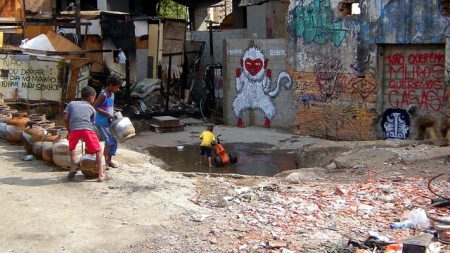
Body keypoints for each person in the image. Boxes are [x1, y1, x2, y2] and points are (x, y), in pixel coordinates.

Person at [64, 86, 105, 182]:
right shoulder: (92, 108)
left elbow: (66, 118)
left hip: (74, 129)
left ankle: (73, 167)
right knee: (98, 150)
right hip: (87, 129)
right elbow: (92, 124)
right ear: (91, 98)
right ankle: (100, 174)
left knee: (72, 148)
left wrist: (69, 131)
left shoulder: (71, 104)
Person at [94, 74, 122, 169]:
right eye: (117, 87)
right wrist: (107, 114)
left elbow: (110, 108)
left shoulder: (112, 94)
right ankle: (103, 163)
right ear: (110, 85)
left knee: (115, 140)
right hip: (102, 122)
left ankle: (109, 161)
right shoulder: (103, 95)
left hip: (109, 122)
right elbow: (95, 106)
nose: (118, 89)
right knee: (109, 141)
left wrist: (114, 114)